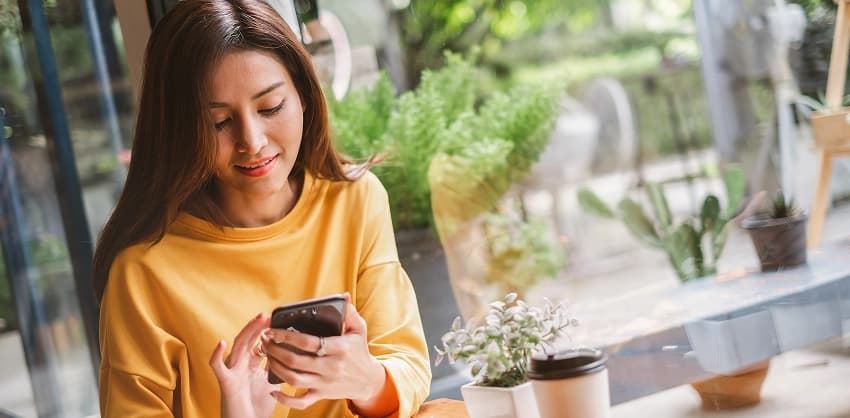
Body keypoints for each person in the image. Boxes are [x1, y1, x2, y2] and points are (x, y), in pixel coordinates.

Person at [92, 0, 431, 417]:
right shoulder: (143, 270)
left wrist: (366, 379)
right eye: (219, 122)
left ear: (304, 95)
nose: (252, 141)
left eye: (270, 108)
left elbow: (406, 361)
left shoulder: (355, 202)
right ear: (179, 131)